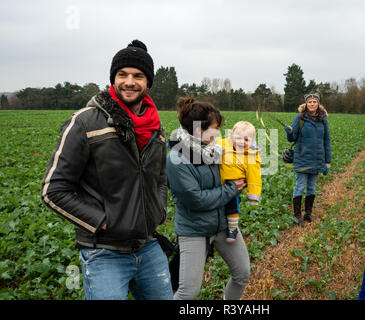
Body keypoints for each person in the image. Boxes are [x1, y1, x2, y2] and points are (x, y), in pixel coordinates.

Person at [41, 40, 173, 300]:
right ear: (113, 79)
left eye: (138, 75)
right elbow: (53, 190)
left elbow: (160, 178)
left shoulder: (155, 127)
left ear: (148, 83)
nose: (129, 81)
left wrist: (158, 210)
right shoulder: (85, 123)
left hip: (148, 247)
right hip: (103, 253)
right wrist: (102, 222)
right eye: (122, 74)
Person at [166, 97, 251, 300]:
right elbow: (196, 200)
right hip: (194, 230)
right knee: (188, 292)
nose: (218, 133)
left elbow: (238, 163)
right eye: (214, 129)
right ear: (198, 130)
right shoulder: (177, 158)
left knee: (242, 274)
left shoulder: (215, 149)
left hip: (223, 224)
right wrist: (232, 188)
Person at [284, 92, 331, 226]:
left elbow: (326, 140)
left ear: (318, 104)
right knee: (299, 187)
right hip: (302, 158)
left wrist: (327, 162)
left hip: (317, 159)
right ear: (306, 104)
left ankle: (308, 214)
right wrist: (289, 132)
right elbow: (292, 138)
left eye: (314, 102)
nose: (312, 104)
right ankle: (297, 215)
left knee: (311, 188)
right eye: (309, 102)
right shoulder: (300, 118)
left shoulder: (323, 120)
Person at [217, 121, 262, 244]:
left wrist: (254, 195)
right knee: (219, 206)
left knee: (232, 206)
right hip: (219, 183)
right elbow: (206, 145)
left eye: (247, 140)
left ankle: (232, 229)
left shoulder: (251, 156)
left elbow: (254, 177)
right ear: (232, 137)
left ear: (252, 141)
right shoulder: (222, 143)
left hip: (234, 186)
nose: (242, 142)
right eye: (238, 138)